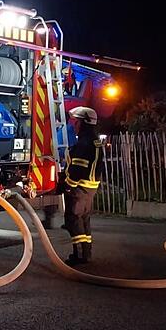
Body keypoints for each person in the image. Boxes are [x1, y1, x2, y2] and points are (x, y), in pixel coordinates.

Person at [60, 106, 104, 265]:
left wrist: (67, 185)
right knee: (84, 220)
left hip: (79, 188)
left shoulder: (84, 142)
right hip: (90, 188)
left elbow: (78, 168)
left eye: (76, 121)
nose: (74, 125)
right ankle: (86, 253)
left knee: (74, 219)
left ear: (83, 123)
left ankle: (79, 256)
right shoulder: (95, 140)